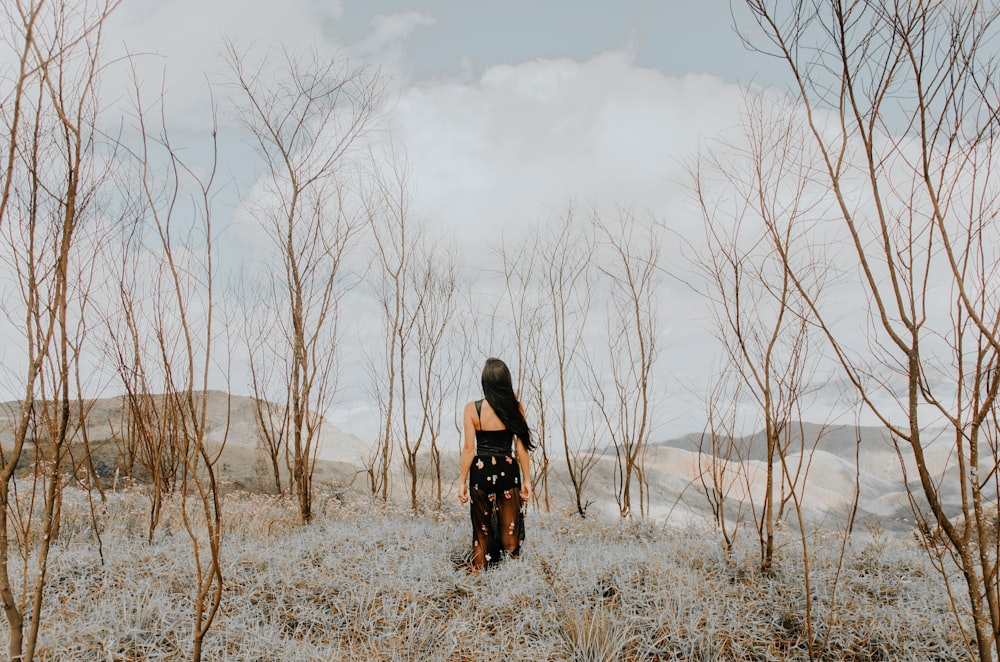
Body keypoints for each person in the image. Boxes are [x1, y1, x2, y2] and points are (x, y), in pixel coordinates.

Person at [457, 357, 533, 571]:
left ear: (485, 382)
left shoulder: (472, 409)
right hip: (508, 471)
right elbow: (521, 449)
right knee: (510, 532)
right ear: (506, 381)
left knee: (481, 533)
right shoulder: (516, 408)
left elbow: (469, 449)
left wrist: (462, 481)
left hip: (481, 472)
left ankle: (478, 580)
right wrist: (527, 480)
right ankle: (511, 579)